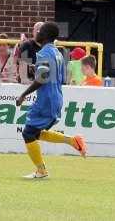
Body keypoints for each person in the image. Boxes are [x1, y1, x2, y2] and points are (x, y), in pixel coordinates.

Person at [16, 22, 87, 179]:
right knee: (35, 133)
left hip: (46, 100)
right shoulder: (58, 53)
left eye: (40, 30)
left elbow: (42, 79)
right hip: (56, 97)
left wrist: (23, 94)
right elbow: (58, 77)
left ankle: (41, 171)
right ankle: (73, 141)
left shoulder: (44, 53)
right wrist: (38, 69)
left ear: (45, 35)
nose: (37, 32)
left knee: (28, 133)